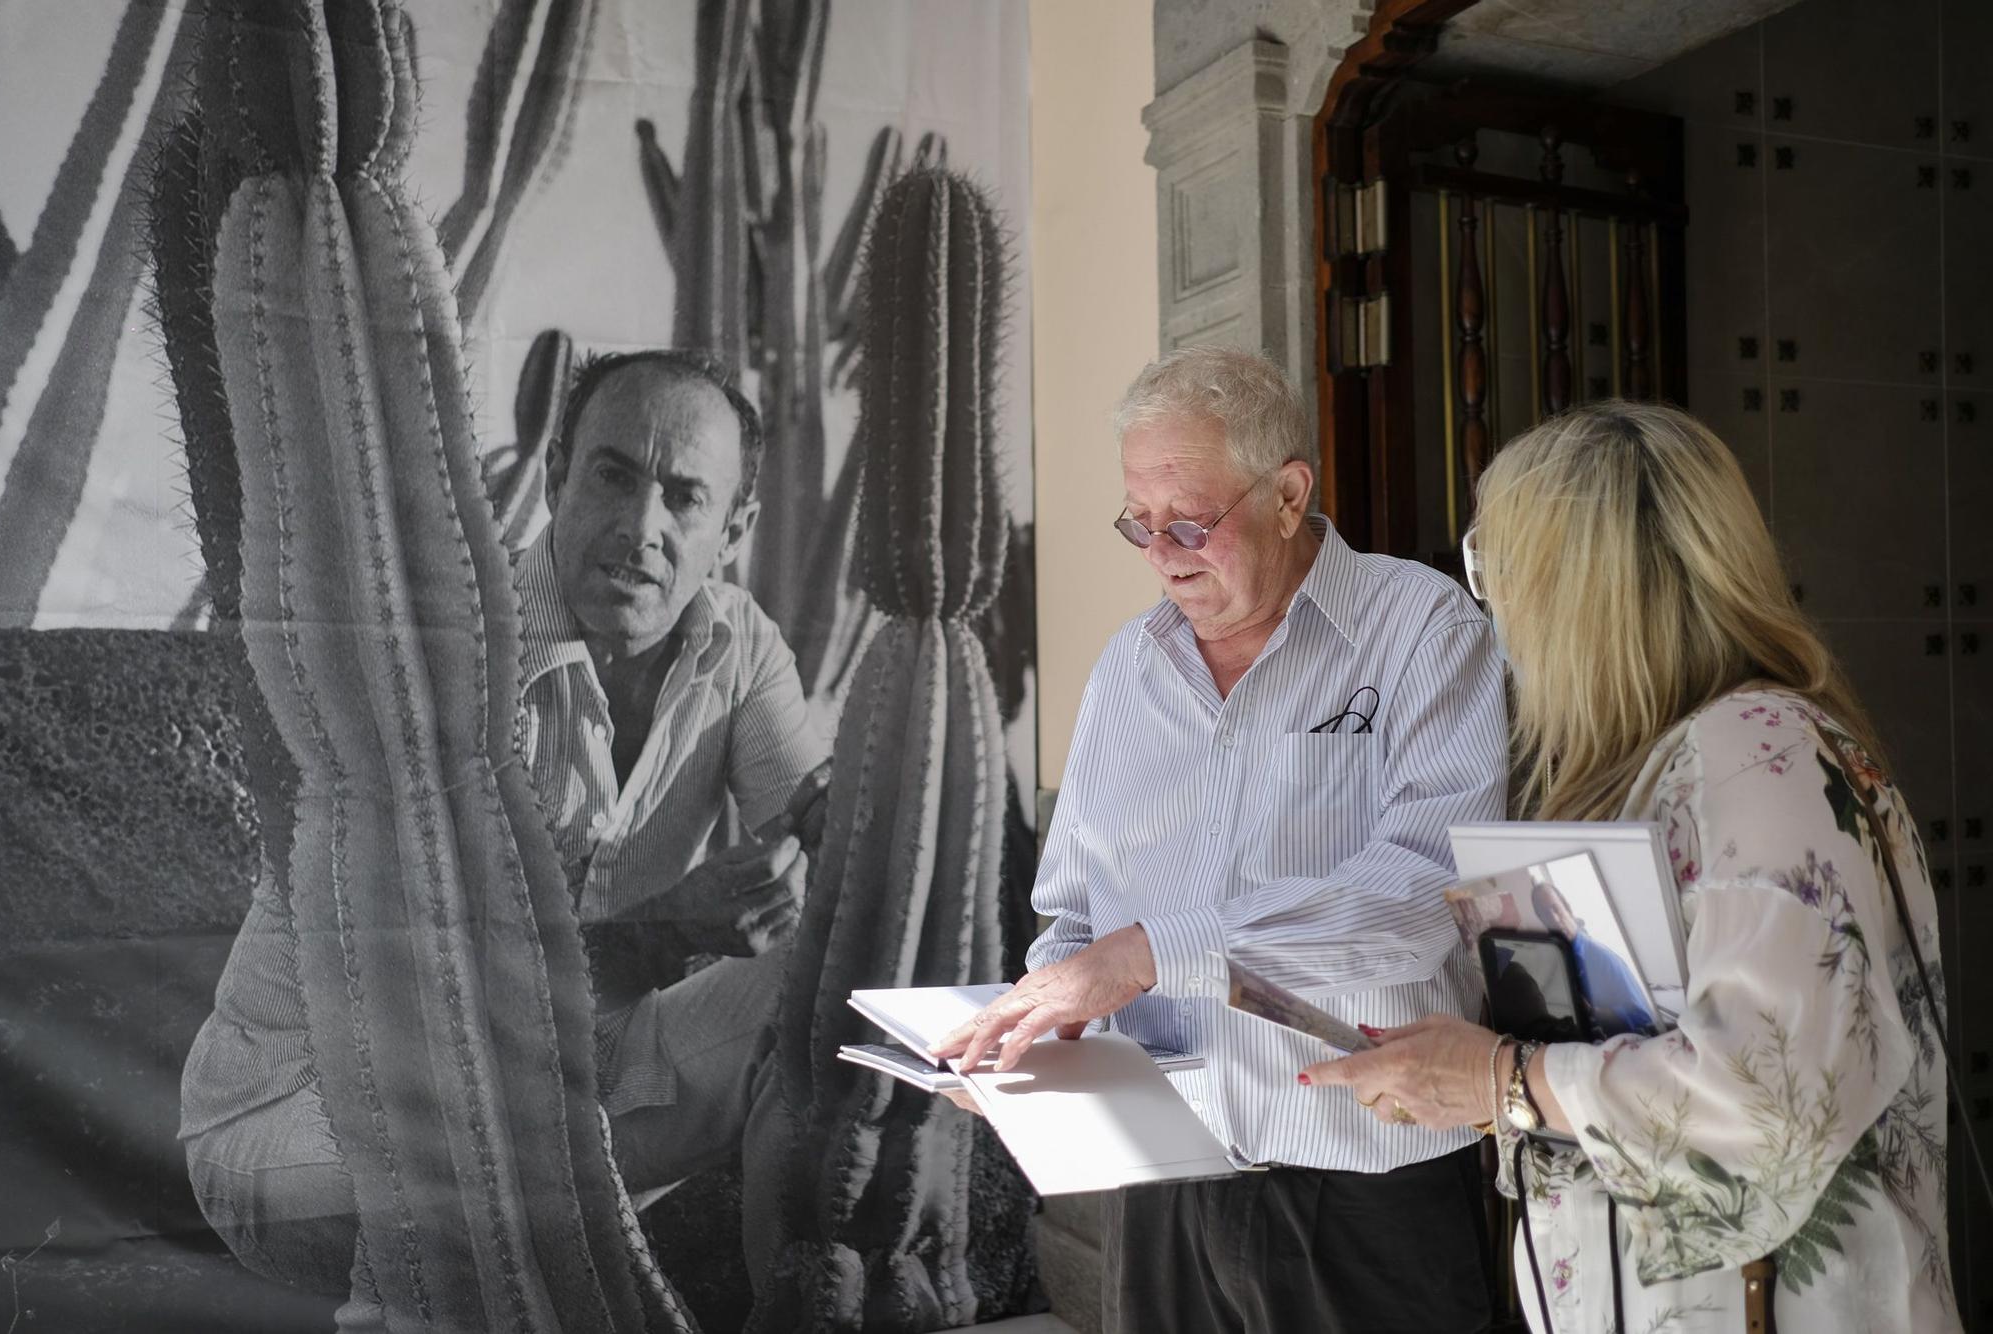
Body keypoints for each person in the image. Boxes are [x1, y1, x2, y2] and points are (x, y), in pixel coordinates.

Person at [178, 349, 829, 1295]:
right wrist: (663, 939)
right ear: (558, 473)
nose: (642, 527)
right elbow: (430, 1015)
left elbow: (824, 864)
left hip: (567, 1100)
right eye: (613, 475)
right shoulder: (446, 661)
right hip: (314, 1116)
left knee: (821, 997)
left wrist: (860, 827)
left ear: (734, 529)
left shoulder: (740, 644)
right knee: (484, 1180)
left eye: (685, 497)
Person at [1302, 401, 1962, 1333]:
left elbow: (1761, 1102)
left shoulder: (1761, 753)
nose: (1493, 609)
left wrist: (1499, 1079)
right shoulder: (1680, 761)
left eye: (1496, 566)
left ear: (1583, 587)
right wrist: (1467, 1080)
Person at [932, 346, 1508, 1334]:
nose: (1161, 551)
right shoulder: (1128, 669)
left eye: (1189, 520)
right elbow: (1072, 908)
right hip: (1169, 1183)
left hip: (1366, 1185)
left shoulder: (1420, 628)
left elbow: (1423, 888)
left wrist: (1149, 954)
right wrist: (1033, 1044)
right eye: (1137, 523)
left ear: (1288, 495)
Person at [1527, 876, 1653, 1036]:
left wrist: (1594, 1012)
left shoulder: (1602, 957)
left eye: (1556, 909)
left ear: (1568, 909)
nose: (1555, 920)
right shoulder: (1557, 963)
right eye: (1546, 914)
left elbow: (1644, 1016)